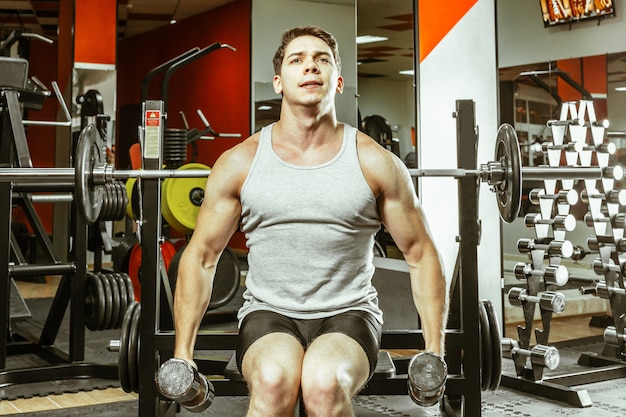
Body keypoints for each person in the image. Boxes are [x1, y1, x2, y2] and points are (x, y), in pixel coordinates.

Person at [173, 25, 449, 417]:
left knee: (323, 384)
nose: (310, 67)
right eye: (297, 60)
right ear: (278, 82)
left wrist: (432, 351)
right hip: (268, 314)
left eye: (322, 60)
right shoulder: (240, 163)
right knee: (272, 381)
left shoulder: (375, 162)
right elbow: (201, 256)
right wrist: (183, 354)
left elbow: (422, 254)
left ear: (337, 81)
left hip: (349, 314)